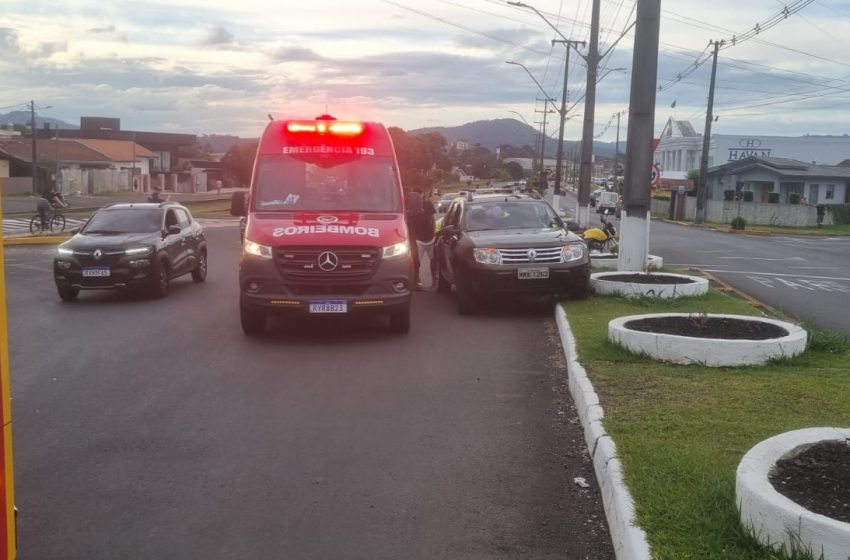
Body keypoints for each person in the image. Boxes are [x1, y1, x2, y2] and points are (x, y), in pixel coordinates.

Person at [408, 188, 437, 290]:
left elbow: (432, 219)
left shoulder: (428, 204)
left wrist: (434, 232)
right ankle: (416, 281)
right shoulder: (409, 208)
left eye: (419, 195)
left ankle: (435, 281)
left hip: (430, 237)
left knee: (434, 261)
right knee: (416, 262)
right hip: (418, 239)